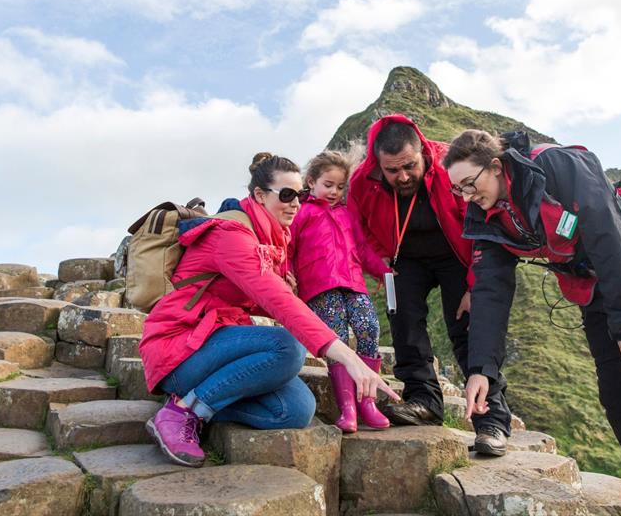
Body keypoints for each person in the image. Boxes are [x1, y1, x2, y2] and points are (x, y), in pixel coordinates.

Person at [442, 129, 621, 516]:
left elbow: (606, 229)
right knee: (617, 396)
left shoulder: (556, 165)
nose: (467, 197)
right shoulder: (487, 217)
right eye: (459, 191)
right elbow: (489, 291)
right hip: (594, 282)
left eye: (470, 184)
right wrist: (482, 369)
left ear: (497, 166)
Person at [140, 152, 399, 468]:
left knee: (295, 410)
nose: (295, 203)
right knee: (287, 347)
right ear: (259, 195)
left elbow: (275, 299)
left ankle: (200, 397)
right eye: (287, 194)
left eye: (300, 195)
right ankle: (183, 412)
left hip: (212, 343)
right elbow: (279, 302)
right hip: (179, 347)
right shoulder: (231, 236)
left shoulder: (271, 239)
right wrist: (348, 356)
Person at [348, 114, 513, 456]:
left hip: (458, 255)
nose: (403, 177)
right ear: (379, 165)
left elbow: (484, 227)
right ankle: (424, 400)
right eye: (392, 171)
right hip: (404, 258)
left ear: (422, 152)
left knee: (467, 328)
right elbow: (358, 231)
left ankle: (491, 421)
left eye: (409, 166)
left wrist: (473, 284)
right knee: (404, 319)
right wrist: (382, 266)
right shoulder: (363, 183)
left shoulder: (450, 168)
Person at [288, 150, 392, 432]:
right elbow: (288, 247)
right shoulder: (301, 213)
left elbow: (363, 249)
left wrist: (384, 273)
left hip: (353, 283)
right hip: (319, 287)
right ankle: (348, 408)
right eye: (328, 185)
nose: (334, 191)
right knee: (338, 340)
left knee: (369, 328)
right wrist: (286, 274)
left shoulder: (347, 214)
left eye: (340, 186)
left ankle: (367, 402)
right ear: (311, 182)